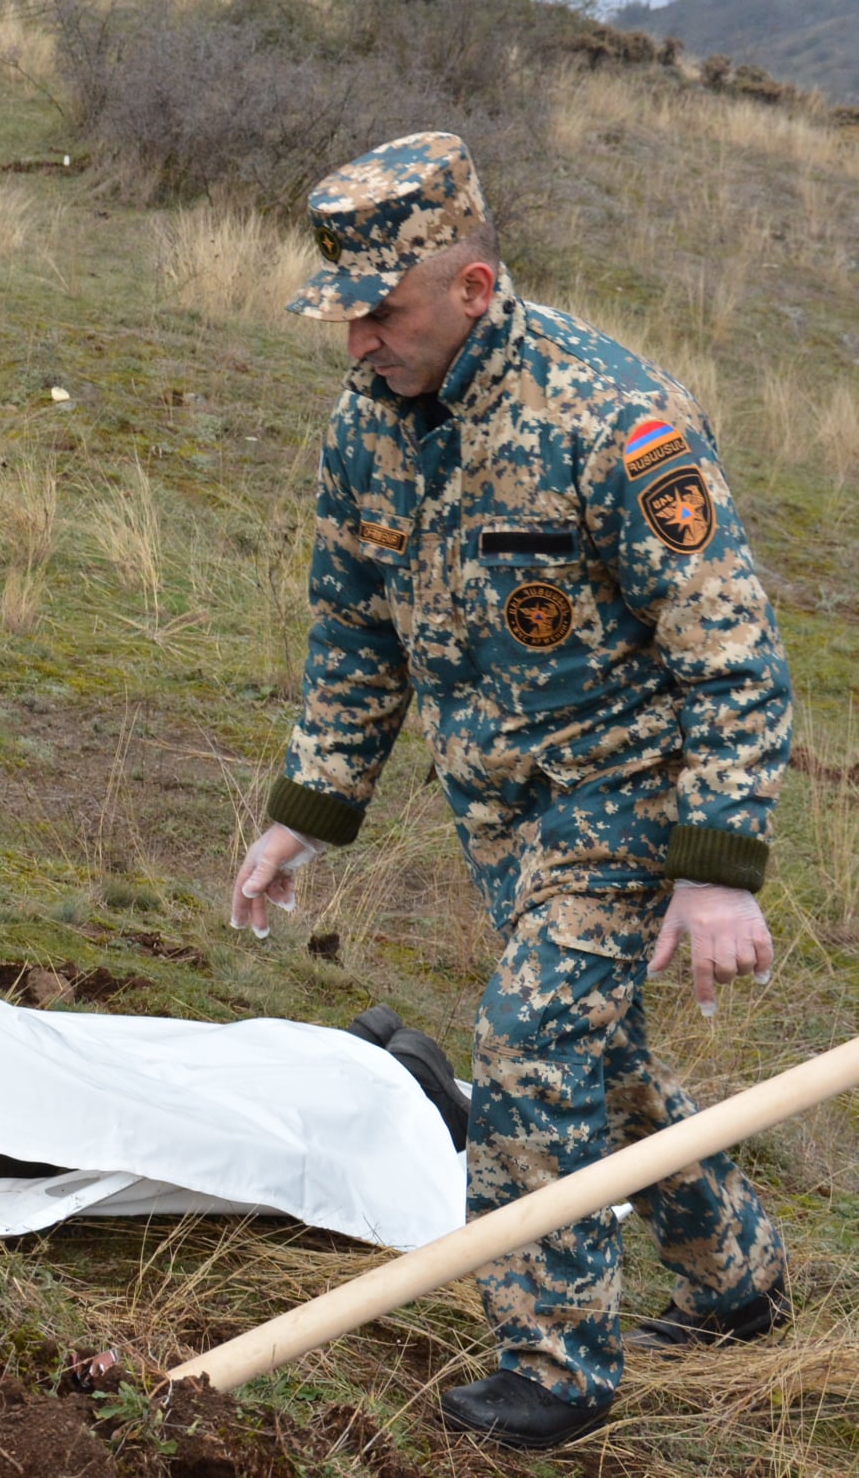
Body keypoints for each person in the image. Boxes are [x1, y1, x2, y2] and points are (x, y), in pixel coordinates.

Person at [230, 133, 791, 1450]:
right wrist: (303, 812)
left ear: (472, 288)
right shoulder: (365, 431)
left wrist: (715, 867)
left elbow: (733, 651)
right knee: (598, 1057)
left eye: (382, 312)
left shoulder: (615, 416)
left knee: (532, 1051)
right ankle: (739, 1278)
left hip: (626, 795)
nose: (358, 342)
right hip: (499, 810)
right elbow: (351, 635)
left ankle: (555, 1368)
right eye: (344, 316)